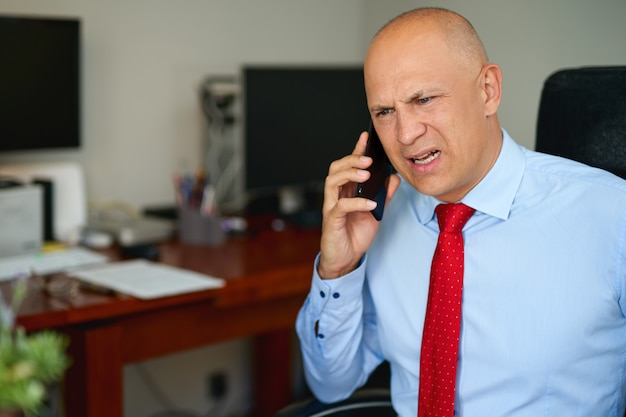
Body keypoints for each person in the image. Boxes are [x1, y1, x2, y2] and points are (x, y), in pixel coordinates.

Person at [295, 7, 626, 417]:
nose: (405, 134)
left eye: (424, 99)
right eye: (385, 112)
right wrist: (338, 270)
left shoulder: (612, 215)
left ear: (487, 90)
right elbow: (331, 384)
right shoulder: (381, 220)